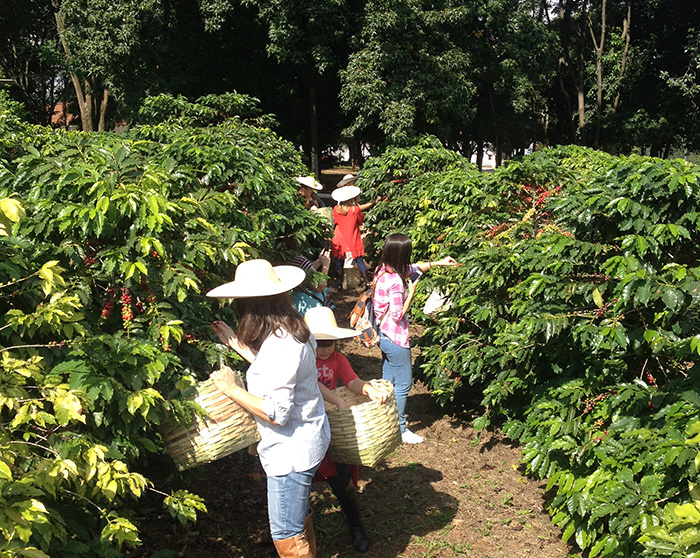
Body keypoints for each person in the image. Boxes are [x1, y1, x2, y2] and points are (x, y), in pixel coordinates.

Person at [207, 259, 330, 558]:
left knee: (287, 534)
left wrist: (231, 389)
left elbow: (276, 413)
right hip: (307, 439)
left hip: (290, 453)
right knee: (297, 520)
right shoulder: (296, 330)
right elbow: (280, 372)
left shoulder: (282, 345)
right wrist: (238, 346)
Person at [303, 306, 388, 553]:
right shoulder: (301, 360)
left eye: (329, 342)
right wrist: (338, 400)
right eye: (318, 342)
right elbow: (311, 384)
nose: (324, 348)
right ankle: (299, 536)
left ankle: (356, 526)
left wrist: (367, 388)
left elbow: (351, 381)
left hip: (331, 429)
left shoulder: (337, 360)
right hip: (305, 429)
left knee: (341, 483)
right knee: (302, 485)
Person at [373, 233, 459, 444]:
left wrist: (439, 263)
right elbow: (397, 315)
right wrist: (411, 291)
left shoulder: (383, 269)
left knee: (387, 382)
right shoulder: (394, 281)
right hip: (395, 338)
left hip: (383, 336)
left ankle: (382, 420)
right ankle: (400, 429)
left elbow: (413, 268)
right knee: (403, 384)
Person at [330, 174, 381, 288]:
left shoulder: (336, 209)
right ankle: (368, 282)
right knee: (359, 260)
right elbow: (360, 222)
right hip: (352, 237)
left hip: (340, 237)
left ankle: (339, 284)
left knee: (340, 260)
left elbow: (336, 221)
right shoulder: (355, 210)